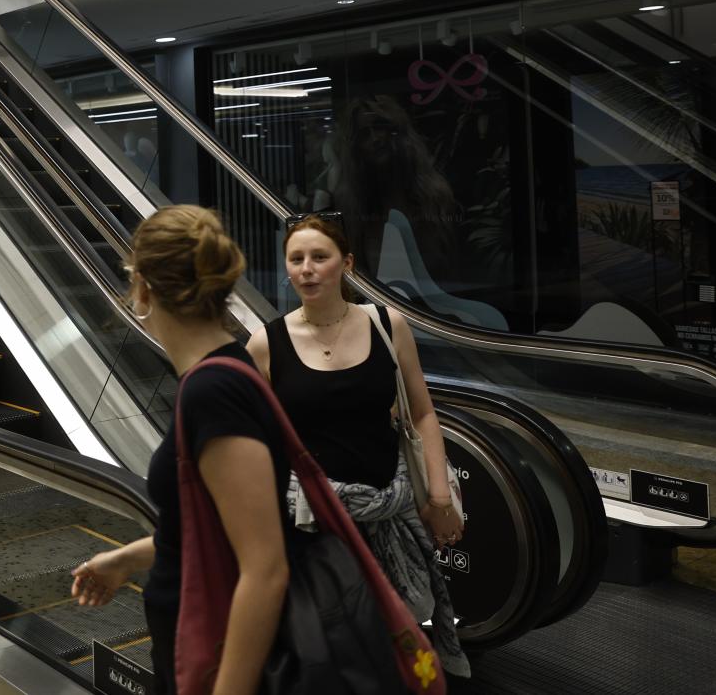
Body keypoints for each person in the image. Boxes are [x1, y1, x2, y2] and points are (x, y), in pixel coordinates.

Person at [71, 206, 289, 694]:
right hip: (194, 642)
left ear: (143, 288)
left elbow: (265, 568)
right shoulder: (220, 375)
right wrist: (127, 559)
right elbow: (218, 527)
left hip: (213, 659)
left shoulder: (214, 392)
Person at [249, 213, 469, 678]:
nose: (307, 269)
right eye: (296, 259)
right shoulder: (266, 343)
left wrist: (439, 498)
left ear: (346, 264)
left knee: (396, 642)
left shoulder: (388, 325)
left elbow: (422, 413)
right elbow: (254, 442)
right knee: (332, 650)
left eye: (319, 257)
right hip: (313, 524)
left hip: (391, 509)